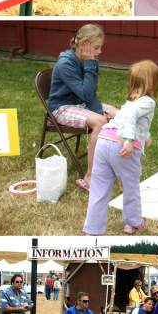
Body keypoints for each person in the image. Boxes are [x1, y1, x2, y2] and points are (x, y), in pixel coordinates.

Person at [83, 59, 158, 234]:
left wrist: (145, 136)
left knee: (99, 188)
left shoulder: (130, 102)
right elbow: (132, 117)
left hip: (103, 141)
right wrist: (129, 140)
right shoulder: (148, 102)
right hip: (122, 147)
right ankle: (132, 222)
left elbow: (130, 119)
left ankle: (92, 229)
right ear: (154, 83)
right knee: (130, 186)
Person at [47, 23, 117, 191]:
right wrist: (91, 64)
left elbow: (90, 94)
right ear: (84, 44)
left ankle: (112, 164)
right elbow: (86, 94)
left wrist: (98, 110)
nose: (99, 52)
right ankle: (90, 177)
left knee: (120, 115)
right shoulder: (66, 64)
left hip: (82, 103)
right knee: (100, 122)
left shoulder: (89, 60)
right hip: (62, 107)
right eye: (96, 48)